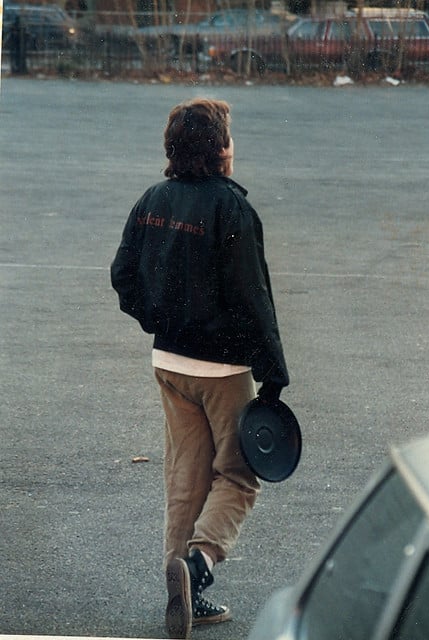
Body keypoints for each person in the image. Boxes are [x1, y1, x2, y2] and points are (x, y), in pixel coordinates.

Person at [111, 98, 289, 639]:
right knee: (238, 473)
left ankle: (183, 590)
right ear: (217, 152)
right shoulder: (231, 209)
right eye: (229, 140)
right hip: (222, 370)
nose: (233, 148)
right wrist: (272, 372)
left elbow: (123, 276)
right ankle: (198, 566)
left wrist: (161, 320)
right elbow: (253, 297)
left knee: (185, 476)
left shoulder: (151, 200)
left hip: (168, 362)